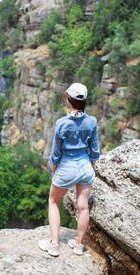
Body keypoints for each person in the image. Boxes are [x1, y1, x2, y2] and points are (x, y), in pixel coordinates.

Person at [38, 83, 100, 257]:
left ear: (69, 99)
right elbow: (94, 150)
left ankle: (54, 245)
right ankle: (79, 245)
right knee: (83, 207)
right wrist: (92, 168)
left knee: (54, 202)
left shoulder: (62, 123)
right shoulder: (92, 121)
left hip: (66, 167)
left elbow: (56, 153)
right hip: (85, 167)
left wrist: (54, 170)